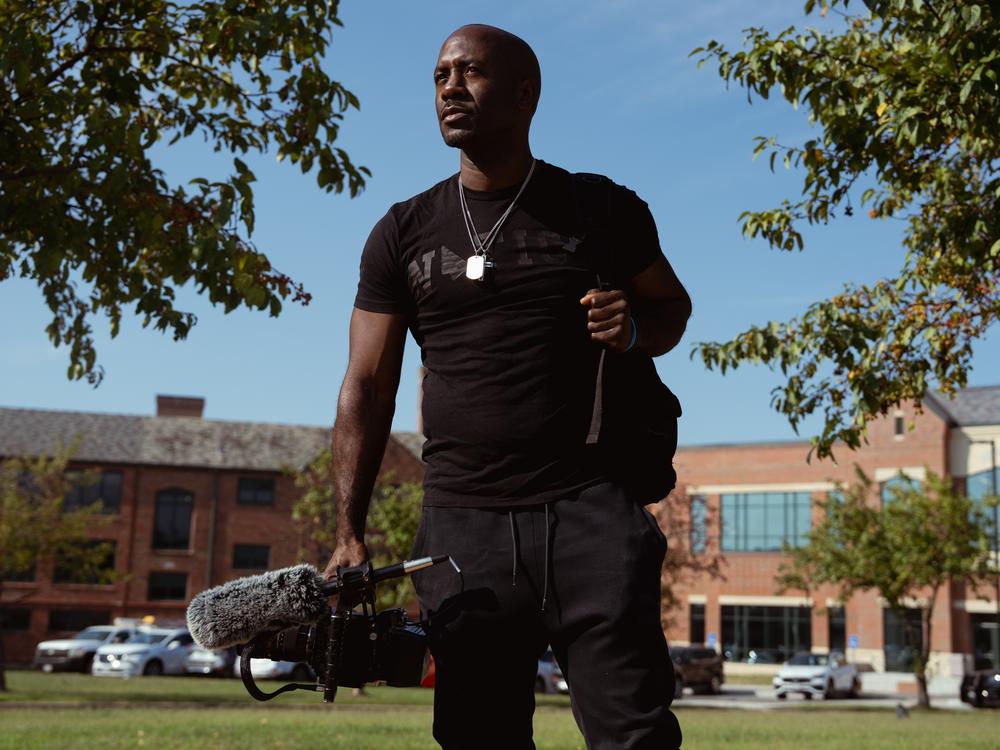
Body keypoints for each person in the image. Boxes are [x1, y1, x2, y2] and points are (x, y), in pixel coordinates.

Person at [324, 23, 691, 750]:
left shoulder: (601, 210)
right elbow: (365, 386)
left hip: (588, 512)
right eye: (439, 77)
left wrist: (632, 332)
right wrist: (348, 533)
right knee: (476, 737)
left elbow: (672, 309)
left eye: (471, 73)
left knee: (635, 736)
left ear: (525, 95)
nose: (450, 89)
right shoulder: (403, 231)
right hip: (464, 526)